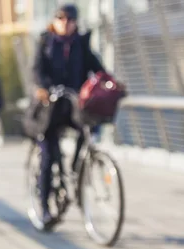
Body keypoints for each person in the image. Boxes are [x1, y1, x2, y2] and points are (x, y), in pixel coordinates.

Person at [31, 4, 106, 227]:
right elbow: (36, 70)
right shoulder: (45, 42)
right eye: (61, 18)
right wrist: (44, 88)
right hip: (50, 109)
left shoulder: (81, 45)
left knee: (88, 131)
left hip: (74, 107)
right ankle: (44, 208)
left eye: (70, 19)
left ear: (75, 22)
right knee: (48, 156)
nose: (65, 22)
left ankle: (75, 169)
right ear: (54, 20)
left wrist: (109, 83)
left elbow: (97, 69)